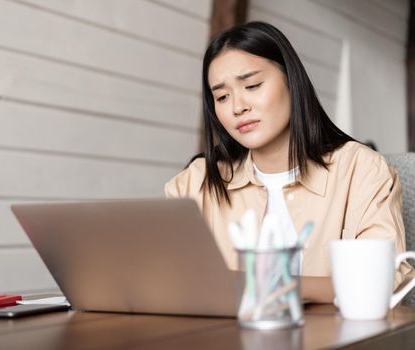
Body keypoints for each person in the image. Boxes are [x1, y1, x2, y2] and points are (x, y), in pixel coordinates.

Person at [164, 21, 413, 303]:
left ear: (291, 81)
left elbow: (381, 280)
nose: (237, 107)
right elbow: (165, 279)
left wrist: (259, 284)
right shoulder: (197, 181)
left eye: (253, 85)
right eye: (222, 96)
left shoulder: (360, 169)